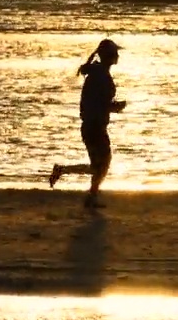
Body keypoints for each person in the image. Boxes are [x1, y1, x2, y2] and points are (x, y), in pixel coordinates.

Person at [48, 39, 126, 209]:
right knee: (101, 165)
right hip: (94, 126)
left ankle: (86, 192)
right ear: (109, 56)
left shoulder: (97, 73)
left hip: (93, 125)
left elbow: (95, 102)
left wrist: (111, 107)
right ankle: (89, 194)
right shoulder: (101, 76)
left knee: (98, 165)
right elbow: (99, 103)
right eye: (115, 53)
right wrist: (116, 107)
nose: (118, 56)